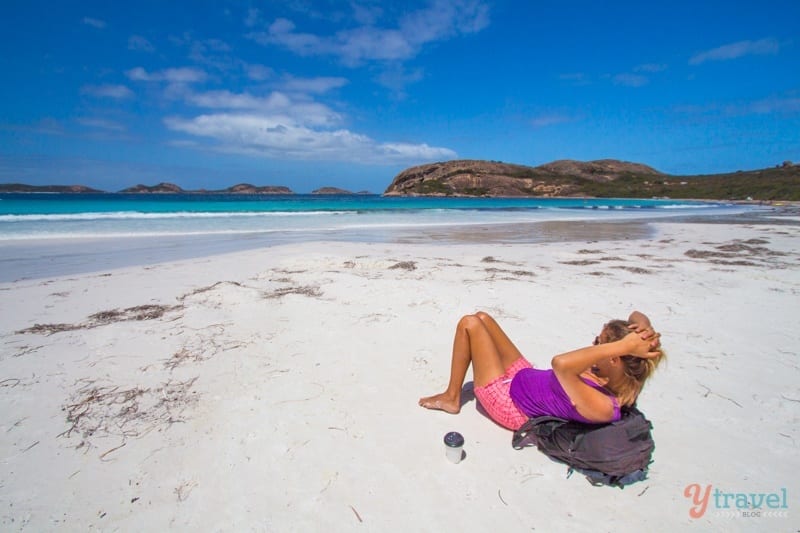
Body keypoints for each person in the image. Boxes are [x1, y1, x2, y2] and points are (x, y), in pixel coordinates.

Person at [418, 311, 663, 430]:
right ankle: (454, 394)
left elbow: (560, 364)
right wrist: (643, 330)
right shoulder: (623, 373)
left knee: (469, 324)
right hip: (523, 376)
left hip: (511, 405)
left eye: (599, 344)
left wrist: (620, 345)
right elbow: (636, 314)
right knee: (483, 317)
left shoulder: (603, 404)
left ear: (615, 358)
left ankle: (452, 398)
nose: (594, 346)